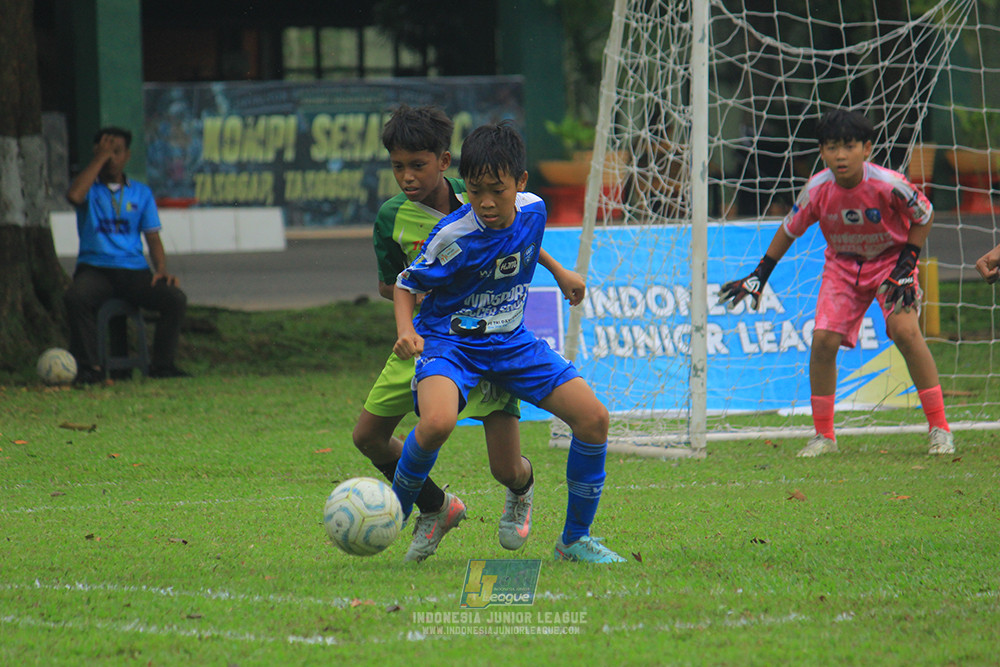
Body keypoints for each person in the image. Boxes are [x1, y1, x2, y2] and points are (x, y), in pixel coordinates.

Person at [354, 106, 587, 562]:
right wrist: (424, 299)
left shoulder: (477, 189)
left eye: (417, 165)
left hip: (490, 337)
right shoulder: (391, 218)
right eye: (397, 166)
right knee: (368, 436)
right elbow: (393, 282)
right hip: (430, 339)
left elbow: (513, 245)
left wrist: (559, 272)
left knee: (505, 467)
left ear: (444, 162)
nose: (406, 177)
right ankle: (436, 507)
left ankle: (521, 487)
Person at [391, 121, 625, 564]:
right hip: (450, 345)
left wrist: (559, 272)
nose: (485, 202)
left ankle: (574, 540)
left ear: (520, 184)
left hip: (510, 343)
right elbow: (406, 284)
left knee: (593, 419)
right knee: (438, 422)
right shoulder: (453, 236)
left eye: (497, 191)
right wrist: (407, 331)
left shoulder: (534, 210)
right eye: (476, 190)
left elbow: (525, 243)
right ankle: (392, 512)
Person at [718, 109, 954, 457]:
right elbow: (789, 230)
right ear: (822, 152)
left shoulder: (888, 184)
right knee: (824, 342)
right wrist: (760, 274)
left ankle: (939, 429)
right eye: (831, 147)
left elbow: (925, 214)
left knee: (905, 331)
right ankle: (824, 436)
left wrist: (907, 263)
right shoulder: (816, 189)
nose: (840, 155)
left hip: (891, 262)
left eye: (849, 146)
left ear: (867, 148)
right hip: (843, 266)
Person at [64, 127, 189, 384]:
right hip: (95, 268)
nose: (112, 158)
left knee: (174, 299)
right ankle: (90, 368)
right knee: (76, 297)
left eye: (117, 152)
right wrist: (99, 159)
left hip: (134, 271)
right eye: (106, 152)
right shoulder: (89, 187)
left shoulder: (140, 193)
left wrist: (161, 269)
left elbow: (152, 238)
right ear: (96, 154)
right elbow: (74, 196)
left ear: (128, 156)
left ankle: (163, 366)